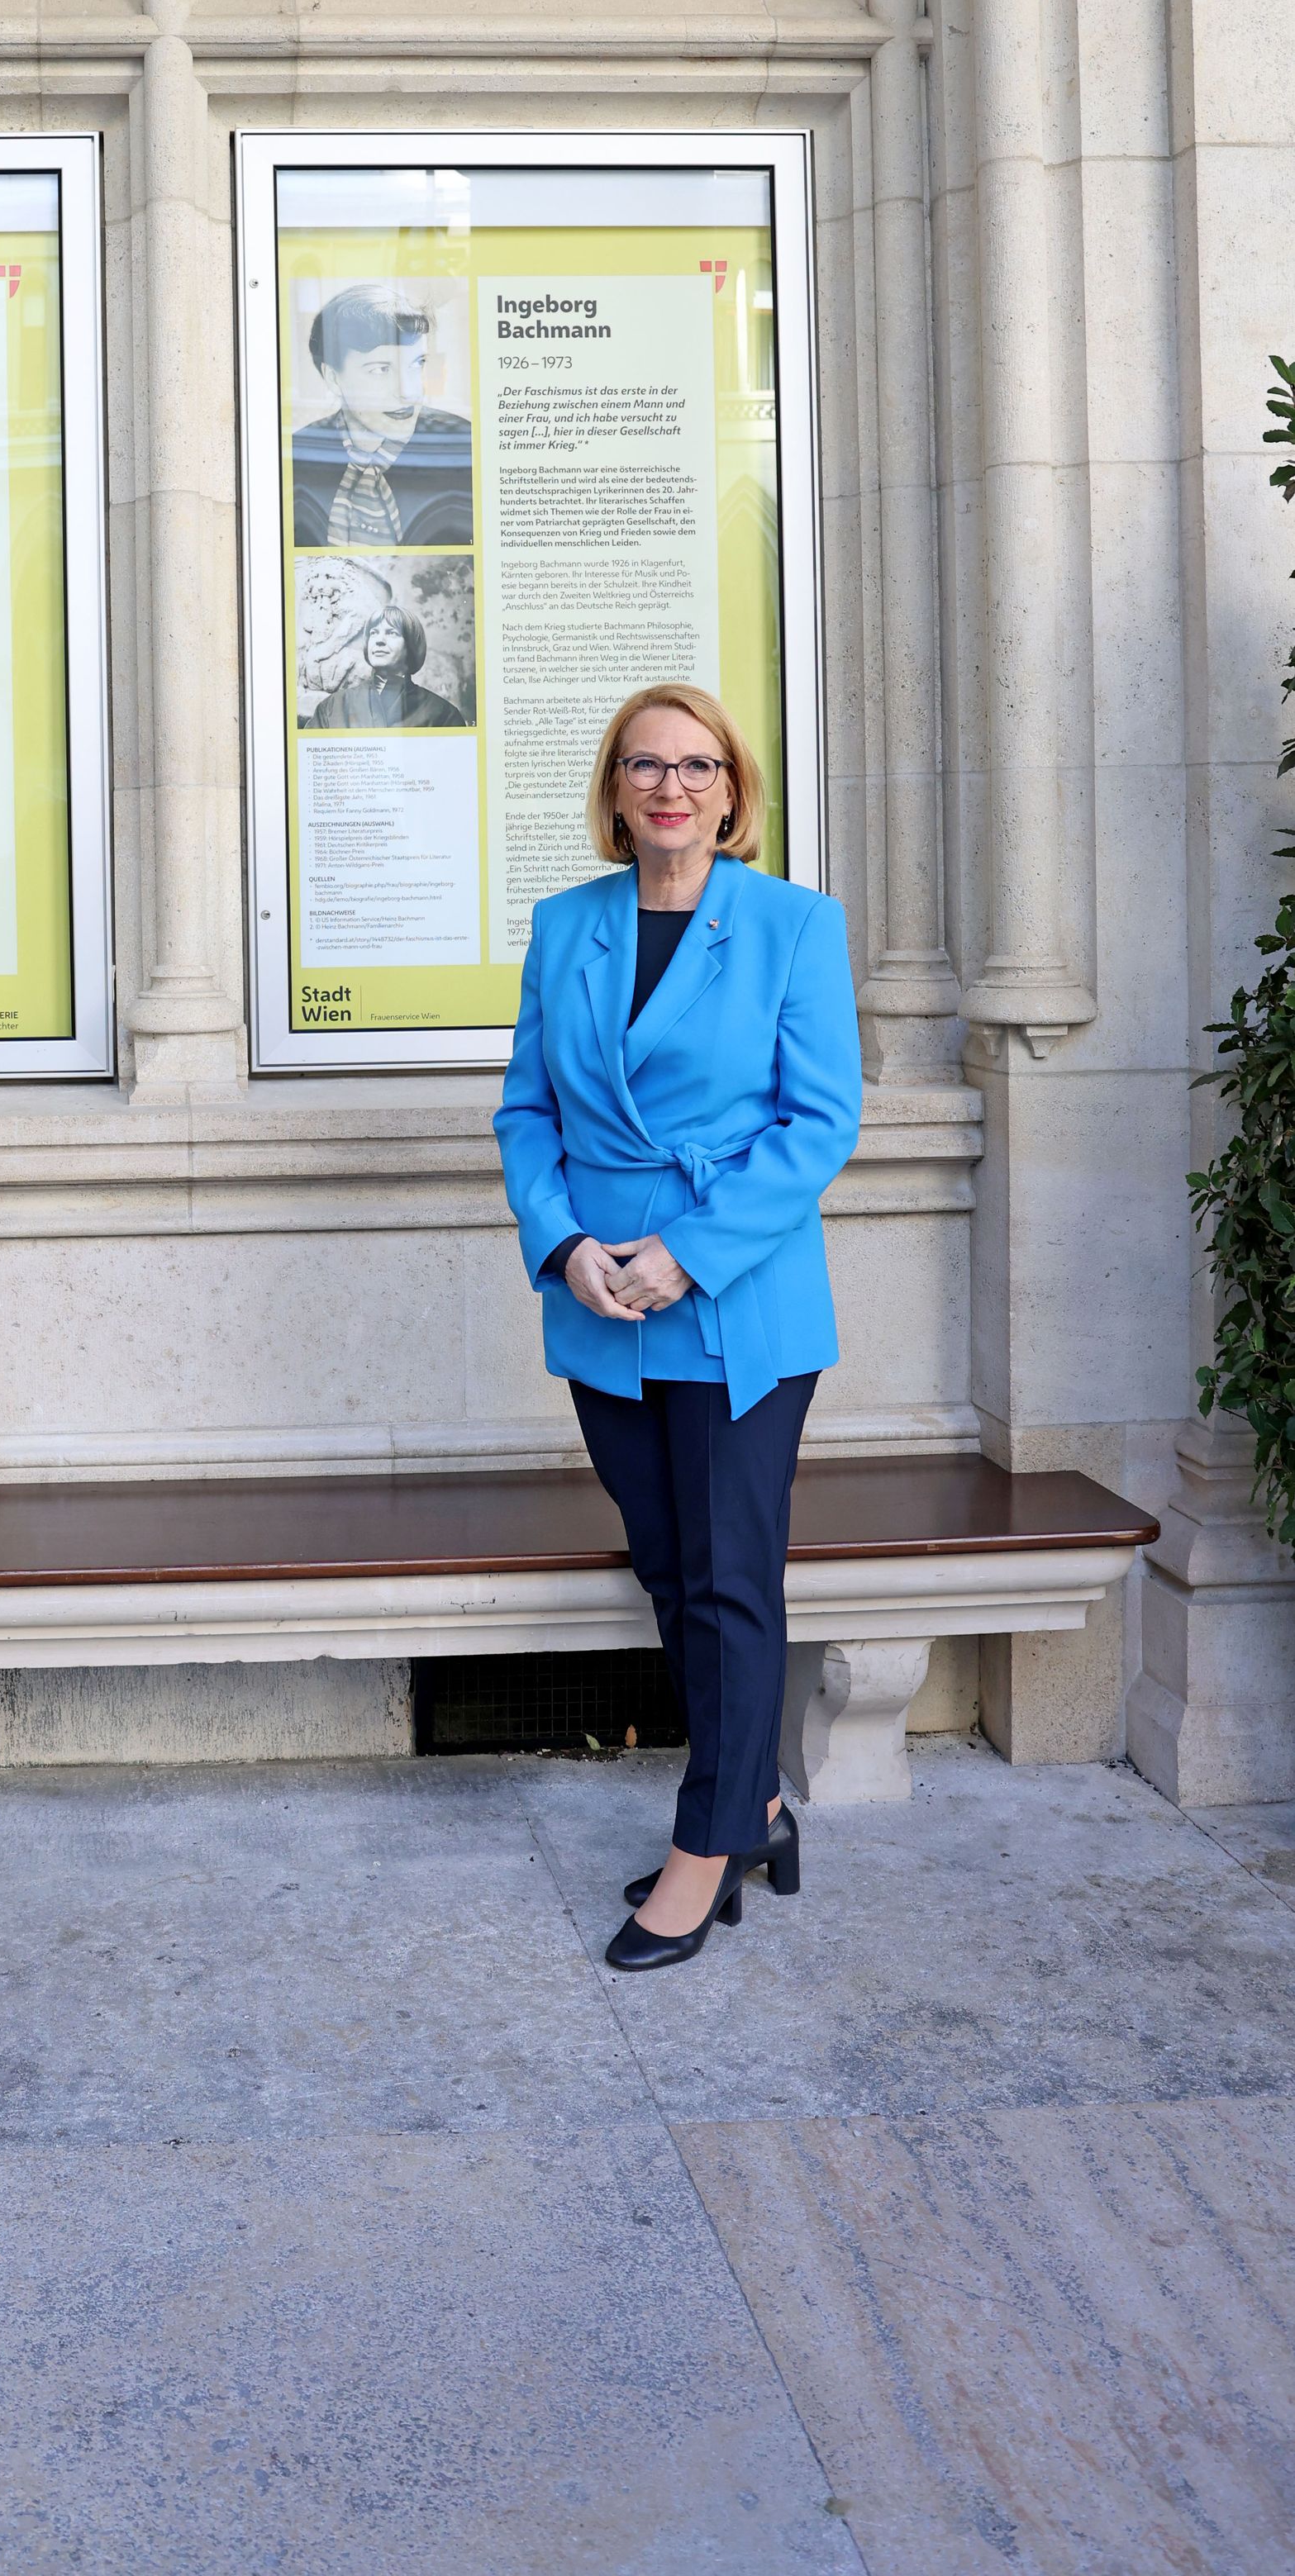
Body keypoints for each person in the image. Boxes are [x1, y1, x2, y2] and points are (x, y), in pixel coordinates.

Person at [494, 682, 860, 1975]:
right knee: (666, 1567)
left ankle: (706, 1848)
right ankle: (753, 1803)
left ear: (731, 791)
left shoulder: (791, 927)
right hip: (601, 1296)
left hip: (733, 1297)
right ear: (612, 791)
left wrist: (685, 1257)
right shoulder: (563, 926)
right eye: (643, 767)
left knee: (728, 1579)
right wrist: (561, 1246)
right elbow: (525, 1111)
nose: (669, 788)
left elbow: (819, 1127)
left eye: (694, 767)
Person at [292, 288, 475, 548]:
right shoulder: (299, 456)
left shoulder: (462, 447)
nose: (408, 392)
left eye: (417, 364)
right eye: (381, 369)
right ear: (334, 378)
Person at [307, 602, 468, 728]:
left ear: (410, 645)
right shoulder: (332, 708)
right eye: (373, 633)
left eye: (392, 633)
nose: (379, 640)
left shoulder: (443, 714)